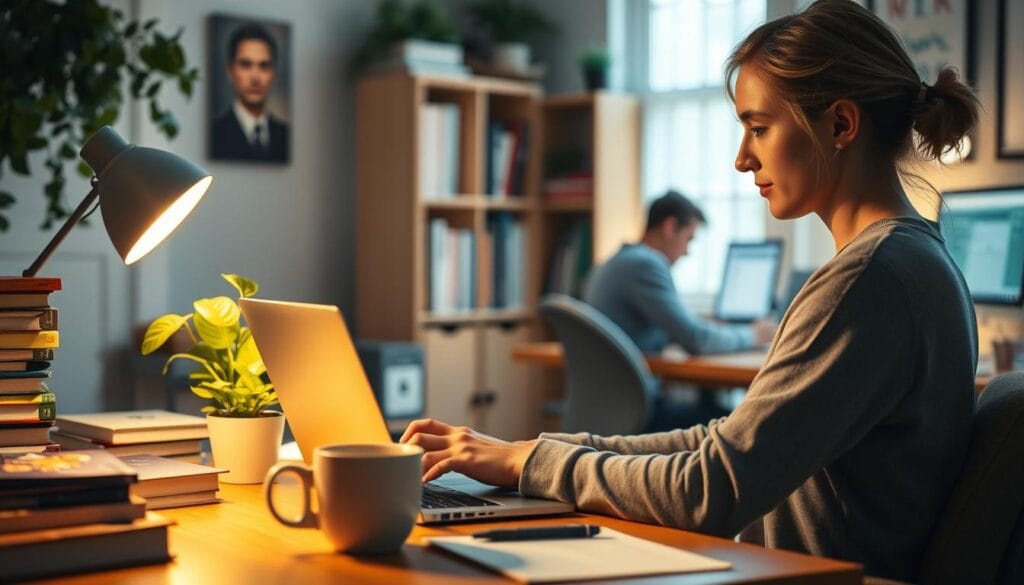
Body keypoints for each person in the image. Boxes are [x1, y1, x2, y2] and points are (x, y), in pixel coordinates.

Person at [400, 0, 980, 581]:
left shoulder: (869, 278)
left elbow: (711, 491)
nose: (741, 158)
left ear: (840, 125)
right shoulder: (911, 261)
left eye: (758, 128)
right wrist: (526, 452)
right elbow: (724, 444)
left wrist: (531, 461)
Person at [585, 189, 776, 355]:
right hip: (630, 392)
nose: (687, 252)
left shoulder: (616, 262)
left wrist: (717, 329)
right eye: (689, 239)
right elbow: (696, 339)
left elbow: (674, 330)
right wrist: (753, 335)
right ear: (669, 227)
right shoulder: (645, 265)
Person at [210, 23, 289, 162]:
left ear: (274, 74)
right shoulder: (215, 133)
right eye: (246, 65)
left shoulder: (285, 135)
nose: (255, 78)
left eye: (264, 66)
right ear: (230, 70)